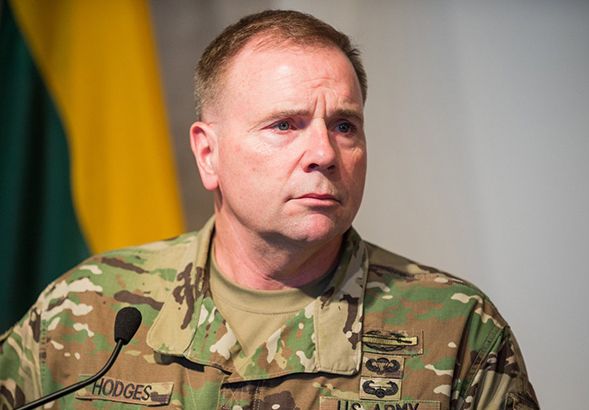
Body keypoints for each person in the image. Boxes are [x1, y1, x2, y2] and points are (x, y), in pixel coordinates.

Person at [0, 10, 538, 410]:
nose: (325, 153)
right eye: (285, 125)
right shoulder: (86, 309)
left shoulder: (456, 328)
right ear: (208, 154)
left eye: (344, 125)